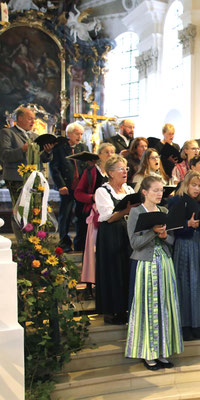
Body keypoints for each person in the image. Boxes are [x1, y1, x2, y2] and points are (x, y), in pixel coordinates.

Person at [126, 175, 183, 370]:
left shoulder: (164, 211)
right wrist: (152, 231)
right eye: (155, 190)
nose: (159, 194)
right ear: (144, 192)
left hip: (164, 264)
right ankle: (148, 353)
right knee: (147, 308)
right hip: (145, 265)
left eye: (161, 190)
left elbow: (173, 241)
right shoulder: (136, 212)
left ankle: (162, 351)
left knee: (165, 306)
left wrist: (165, 235)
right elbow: (134, 244)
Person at [167, 171, 200, 341]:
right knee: (185, 284)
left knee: (199, 283)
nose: (196, 189)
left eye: (199, 186)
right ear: (186, 184)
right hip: (184, 245)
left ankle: (197, 325)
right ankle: (185, 326)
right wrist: (187, 224)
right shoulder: (176, 201)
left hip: (199, 244)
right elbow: (170, 226)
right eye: (193, 185)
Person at [94, 156, 137, 325]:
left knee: (126, 269)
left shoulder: (128, 190)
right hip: (111, 233)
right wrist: (127, 209)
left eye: (126, 168)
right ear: (110, 173)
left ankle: (127, 307)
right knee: (113, 270)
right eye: (120, 169)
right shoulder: (102, 191)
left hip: (128, 232)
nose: (125, 172)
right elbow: (108, 218)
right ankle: (113, 310)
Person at [0, 106, 54, 236]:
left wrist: (47, 152)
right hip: (16, 178)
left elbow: (43, 159)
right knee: (20, 211)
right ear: (20, 118)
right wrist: (22, 150)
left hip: (34, 179)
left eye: (34, 119)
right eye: (30, 118)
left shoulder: (35, 136)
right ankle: (21, 242)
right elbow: (4, 155)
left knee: (34, 211)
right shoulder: (8, 133)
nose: (33, 122)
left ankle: (33, 240)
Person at [75, 143, 115, 285]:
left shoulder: (115, 172)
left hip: (111, 214)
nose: (110, 155)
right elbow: (78, 193)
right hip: (94, 215)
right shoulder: (91, 172)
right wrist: (92, 197)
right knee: (93, 250)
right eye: (106, 152)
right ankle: (91, 282)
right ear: (99, 155)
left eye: (112, 152)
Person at [49, 122, 88, 252]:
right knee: (65, 216)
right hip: (67, 187)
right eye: (77, 133)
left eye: (81, 134)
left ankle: (80, 243)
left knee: (81, 216)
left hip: (81, 188)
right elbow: (54, 168)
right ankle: (64, 243)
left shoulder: (83, 147)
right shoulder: (60, 148)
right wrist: (61, 185)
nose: (79, 136)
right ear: (69, 134)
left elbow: (87, 168)